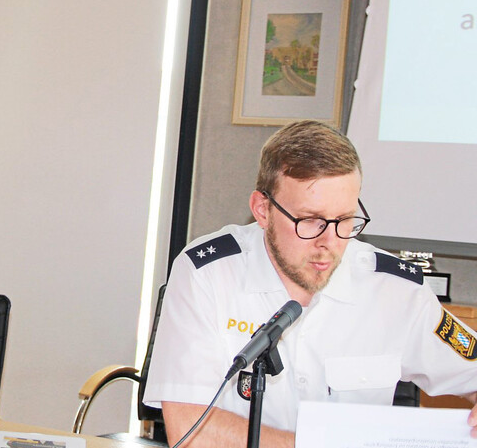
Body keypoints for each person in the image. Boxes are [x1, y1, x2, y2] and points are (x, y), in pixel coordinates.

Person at [143, 120, 477, 447]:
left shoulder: (396, 290)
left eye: (345, 220)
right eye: (310, 221)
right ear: (262, 210)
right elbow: (191, 430)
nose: (329, 242)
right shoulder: (207, 274)